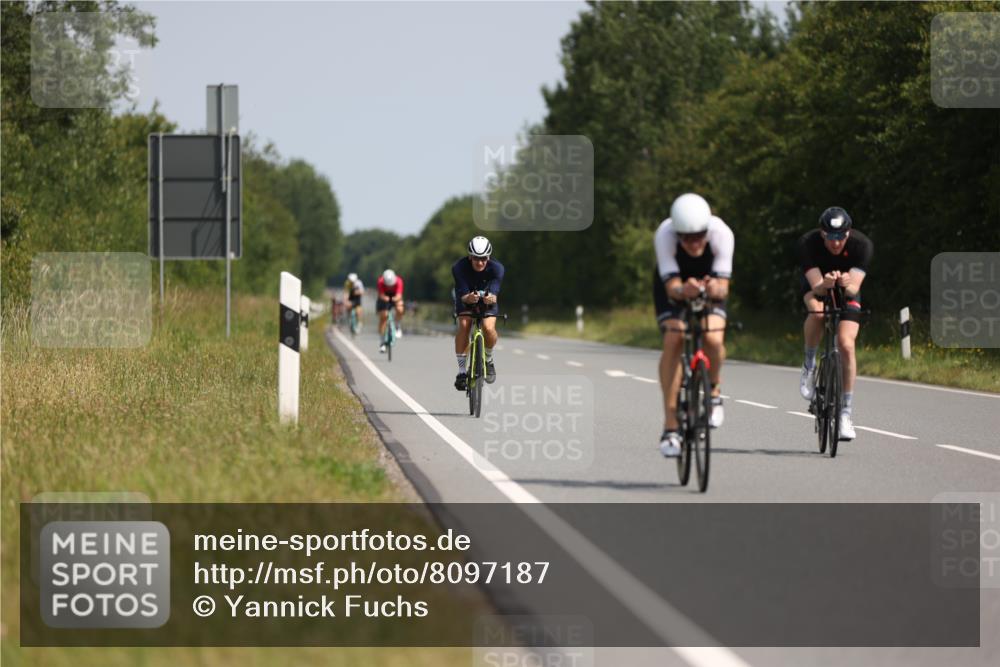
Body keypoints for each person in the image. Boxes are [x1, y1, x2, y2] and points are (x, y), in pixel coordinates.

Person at [654, 193, 734, 458]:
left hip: (710, 285)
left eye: (699, 236)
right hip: (675, 285)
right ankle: (670, 426)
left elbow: (723, 288)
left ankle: (714, 391)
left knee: (712, 339)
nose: (694, 243)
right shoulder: (665, 234)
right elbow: (670, 286)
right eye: (686, 238)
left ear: (707, 229)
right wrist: (682, 289)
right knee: (674, 339)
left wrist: (714, 288)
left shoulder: (722, 234)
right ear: (677, 233)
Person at [797, 206, 873, 442]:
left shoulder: (862, 245)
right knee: (818, 314)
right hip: (816, 287)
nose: (836, 243)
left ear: (849, 234)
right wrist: (825, 285)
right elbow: (815, 287)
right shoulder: (808, 243)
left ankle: (846, 413)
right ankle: (809, 365)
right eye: (831, 237)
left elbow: (854, 289)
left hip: (846, 291)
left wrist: (844, 283)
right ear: (822, 234)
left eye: (841, 237)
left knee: (846, 344)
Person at [452, 236, 504, 391]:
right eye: (476, 258)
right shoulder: (459, 268)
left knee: (488, 329)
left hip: (488, 301)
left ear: (488, 257)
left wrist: (491, 298)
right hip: (466, 298)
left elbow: (495, 292)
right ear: (470, 256)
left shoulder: (497, 268)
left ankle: (488, 359)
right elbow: (461, 292)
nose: (480, 262)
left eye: (483, 259)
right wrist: (468, 297)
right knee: (465, 325)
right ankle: (462, 372)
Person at [377, 269, 405, 352]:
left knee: (400, 309)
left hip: (395, 296)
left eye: (391, 285)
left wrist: (393, 299)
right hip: (384, 297)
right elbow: (381, 295)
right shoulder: (380, 281)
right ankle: (382, 342)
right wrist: (386, 299)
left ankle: (397, 326)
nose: (389, 286)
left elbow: (399, 295)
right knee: (383, 316)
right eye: (388, 285)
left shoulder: (399, 281)